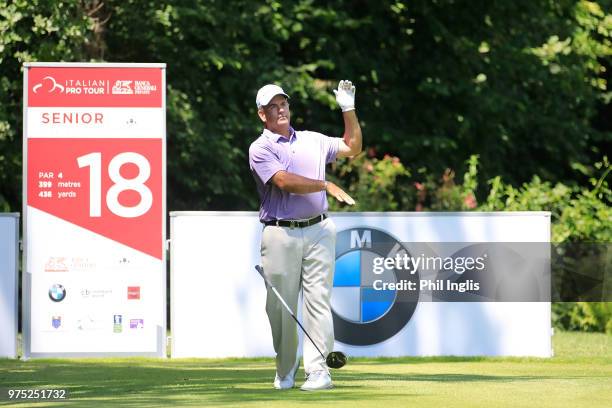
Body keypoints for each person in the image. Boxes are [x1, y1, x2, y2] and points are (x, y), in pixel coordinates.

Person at [249, 80, 362, 391]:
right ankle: (285, 369)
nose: (280, 108)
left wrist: (348, 109)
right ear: (262, 114)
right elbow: (283, 181)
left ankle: (318, 371)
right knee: (281, 307)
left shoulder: (312, 140)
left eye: (283, 103)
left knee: (318, 302)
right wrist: (324, 184)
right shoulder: (261, 148)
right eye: (273, 106)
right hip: (280, 233)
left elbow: (352, 147)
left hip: (319, 230)